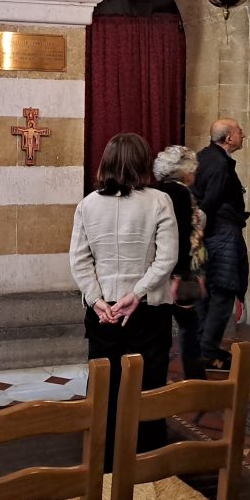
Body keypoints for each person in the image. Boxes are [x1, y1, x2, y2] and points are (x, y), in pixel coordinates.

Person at [70, 132, 178, 469]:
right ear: (143, 163)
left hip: (104, 314)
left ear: (107, 164)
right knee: (147, 389)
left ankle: (102, 464)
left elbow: (79, 260)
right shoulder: (159, 201)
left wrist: (96, 299)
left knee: (105, 389)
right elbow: (167, 258)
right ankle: (145, 466)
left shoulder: (88, 204)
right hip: (145, 312)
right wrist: (138, 293)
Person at [192, 118, 249, 372]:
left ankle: (203, 346)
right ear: (228, 139)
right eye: (238, 131)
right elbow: (208, 204)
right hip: (221, 235)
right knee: (222, 293)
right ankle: (207, 351)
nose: (243, 134)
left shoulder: (203, 157)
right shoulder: (219, 165)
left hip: (208, 236)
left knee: (206, 293)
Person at [153, 145, 207, 381]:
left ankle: (156, 378)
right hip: (179, 272)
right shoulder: (180, 194)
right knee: (189, 329)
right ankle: (196, 382)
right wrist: (181, 276)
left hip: (164, 270)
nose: (195, 174)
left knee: (166, 329)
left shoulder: (159, 191)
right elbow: (181, 234)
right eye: (193, 169)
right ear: (184, 172)